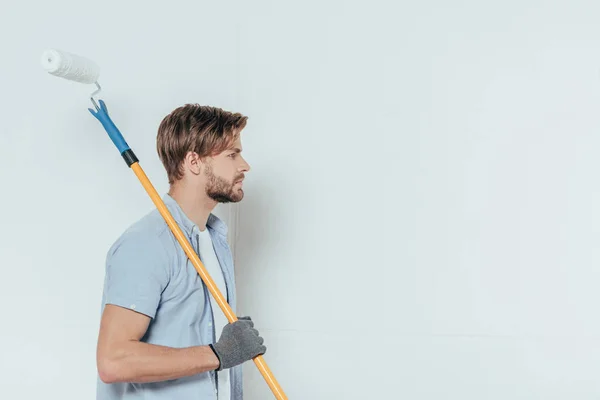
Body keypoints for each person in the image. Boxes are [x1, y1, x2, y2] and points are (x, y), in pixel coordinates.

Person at [95, 104, 265, 400]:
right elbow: (113, 360)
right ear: (194, 162)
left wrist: (228, 348)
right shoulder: (146, 244)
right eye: (232, 155)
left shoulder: (214, 240)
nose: (244, 165)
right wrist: (217, 353)